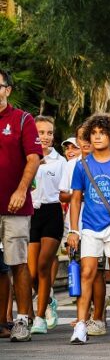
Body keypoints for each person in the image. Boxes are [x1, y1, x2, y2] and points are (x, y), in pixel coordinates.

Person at [67, 113, 110, 344]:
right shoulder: (82, 165)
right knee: (86, 273)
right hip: (90, 227)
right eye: (93, 133)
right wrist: (73, 230)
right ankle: (80, 326)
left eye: (102, 133)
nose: (97, 137)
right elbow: (75, 200)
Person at [0, 68, 42, 342]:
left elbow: (34, 158)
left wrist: (21, 189)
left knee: (17, 263)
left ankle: (23, 319)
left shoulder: (22, 119)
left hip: (13, 206)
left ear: (7, 90)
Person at [28, 115, 67, 334]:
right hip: (31, 213)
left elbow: (65, 193)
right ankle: (49, 298)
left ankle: (40, 317)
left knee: (44, 265)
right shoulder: (26, 157)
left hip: (52, 212)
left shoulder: (60, 162)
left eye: (49, 133)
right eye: (41, 132)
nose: (45, 137)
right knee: (31, 273)